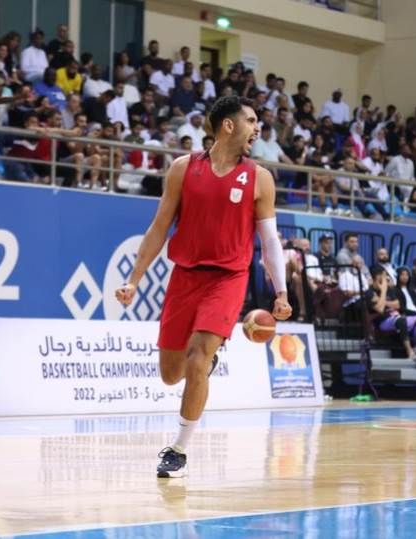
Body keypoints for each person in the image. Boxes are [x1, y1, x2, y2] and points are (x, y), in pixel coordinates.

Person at [115, 96, 292, 478]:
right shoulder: (183, 168)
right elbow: (159, 227)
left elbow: (270, 241)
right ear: (228, 125)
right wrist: (133, 279)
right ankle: (204, 363)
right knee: (170, 374)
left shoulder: (260, 178)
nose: (257, 128)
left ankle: (178, 450)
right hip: (185, 276)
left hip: (228, 278)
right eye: (251, 121)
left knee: (197, 357)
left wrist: (281, 292)